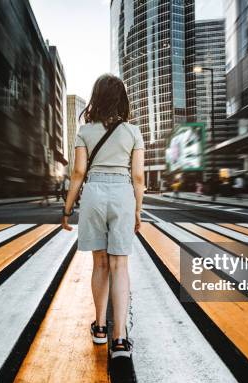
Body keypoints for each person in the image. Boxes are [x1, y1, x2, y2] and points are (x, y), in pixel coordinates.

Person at [61, 74, 144, 359]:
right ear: (121, 98)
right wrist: (137, 210)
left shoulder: (85, 131)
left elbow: (78, 173)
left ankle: (99, 329)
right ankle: (120, 339)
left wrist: (68, 208)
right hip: (122, 193)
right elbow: (138, 176)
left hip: (94, 192)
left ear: (96, 97)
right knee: (120, 265)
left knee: (100, 263)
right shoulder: (133, 132)